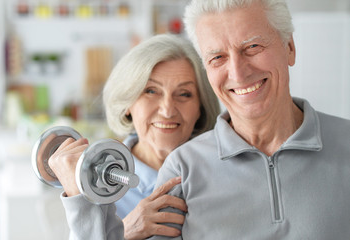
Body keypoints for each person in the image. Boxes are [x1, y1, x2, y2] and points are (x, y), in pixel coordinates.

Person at [148, 0, 350, 239]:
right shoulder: (182, 169)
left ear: (290, 47)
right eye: (217, 58)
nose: (238, 73)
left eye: (253, 46)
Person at [48, 33, 220, 240]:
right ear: (128, 103)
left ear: (200, 108)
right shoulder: (97, 187)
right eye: (151, 91)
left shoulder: (219, 174)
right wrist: (125, 232)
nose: (167, 110)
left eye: (184, 94)